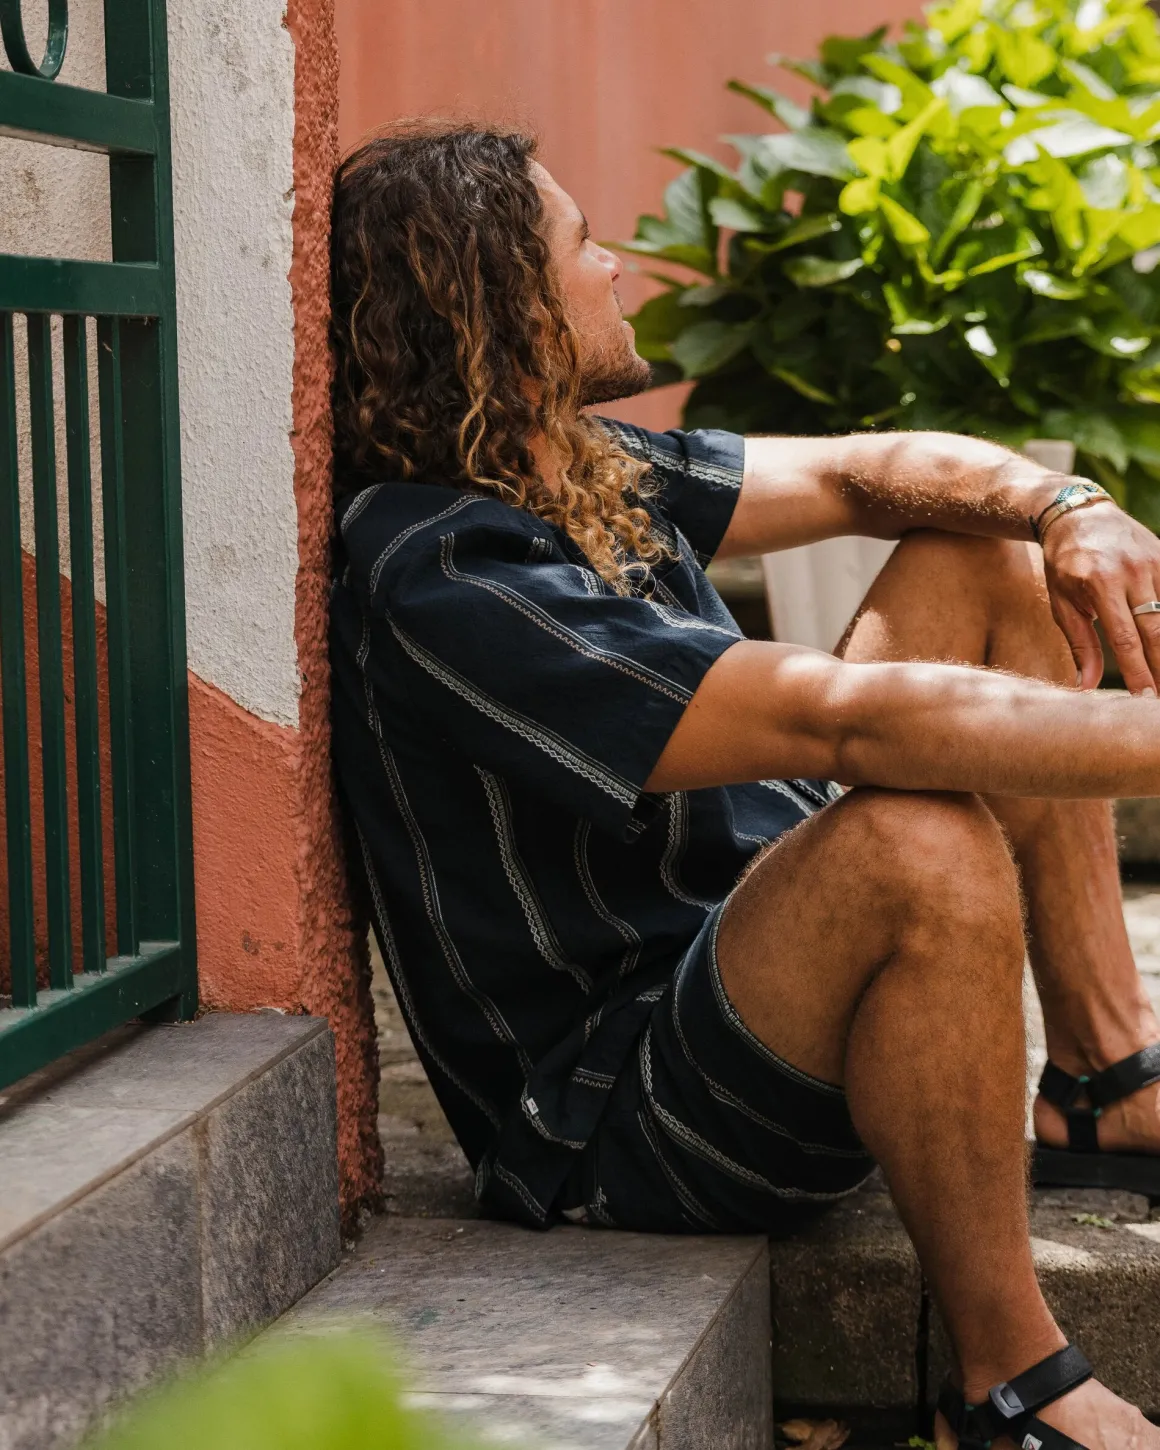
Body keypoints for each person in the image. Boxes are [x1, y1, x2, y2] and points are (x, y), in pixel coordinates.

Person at [327, 122, 1160, 1450]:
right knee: (911, 841)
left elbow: (858, 469)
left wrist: (1065, 511)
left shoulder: (575, 465)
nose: (621, 266)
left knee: (985, 555)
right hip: (621, 1107)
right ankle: (1011, 1383)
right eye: (584, 246)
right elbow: (838, 720)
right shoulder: (437, 568)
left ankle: (1107, 1078)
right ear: (499, 310)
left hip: (743, 969)